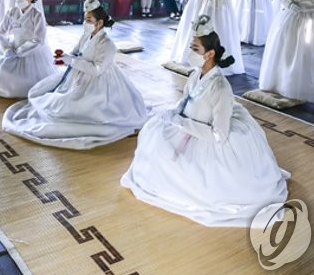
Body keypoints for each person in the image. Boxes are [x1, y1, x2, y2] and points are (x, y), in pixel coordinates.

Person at [120, 16, 290, 227]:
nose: (190, 52)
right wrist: (170, 115)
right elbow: (185, 103)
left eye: (195, 48)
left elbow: (219, 134)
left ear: (209, 54)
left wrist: (181, 123)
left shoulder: (220, 87)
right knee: (153, 136)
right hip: (189, 123)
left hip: (208, 134)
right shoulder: (195, 74)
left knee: (200, 181)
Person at [2, 0, 148, 149]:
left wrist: (71, 61)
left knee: (71, 106)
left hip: (100, 83)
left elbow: (97, 70)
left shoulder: (108, 45)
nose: (85, 23)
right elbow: (74, 53)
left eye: (89, 20)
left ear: (99, 23)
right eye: (85, 19)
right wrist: (63, 58)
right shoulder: (85, 36)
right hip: (78, 77)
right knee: (52, 97)